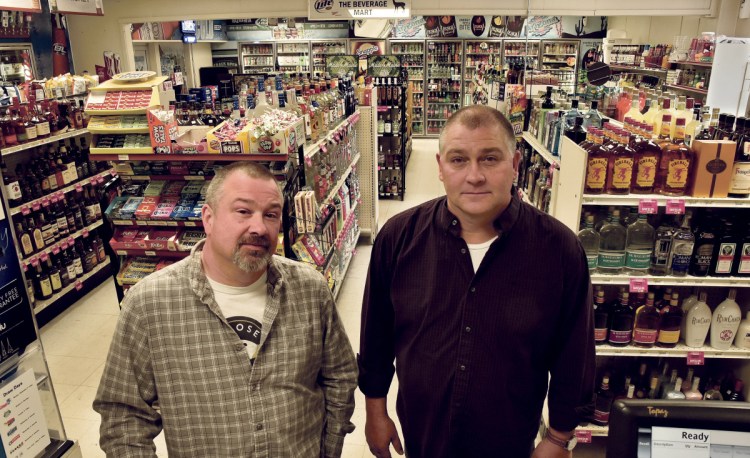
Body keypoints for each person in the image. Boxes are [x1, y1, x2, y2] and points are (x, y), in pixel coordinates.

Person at [359, 105, 595, 458]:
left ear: (515, 164)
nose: (474, 175)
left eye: (489, 159)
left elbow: (573, 355)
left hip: (510, 443)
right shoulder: (398, 238)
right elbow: (376, 335)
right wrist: (375, 412)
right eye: (458, 160)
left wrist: (559, 438)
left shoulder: (559, 249)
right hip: (422, 439)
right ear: (440, 167)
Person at [94, 162, 358, 457]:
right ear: (208, 218)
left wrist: (329, 450)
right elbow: (123, 418)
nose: (259, 227)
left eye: (270, 215)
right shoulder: (148, 304)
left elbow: (340, 376)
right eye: (243, 211)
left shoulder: (310, 289)